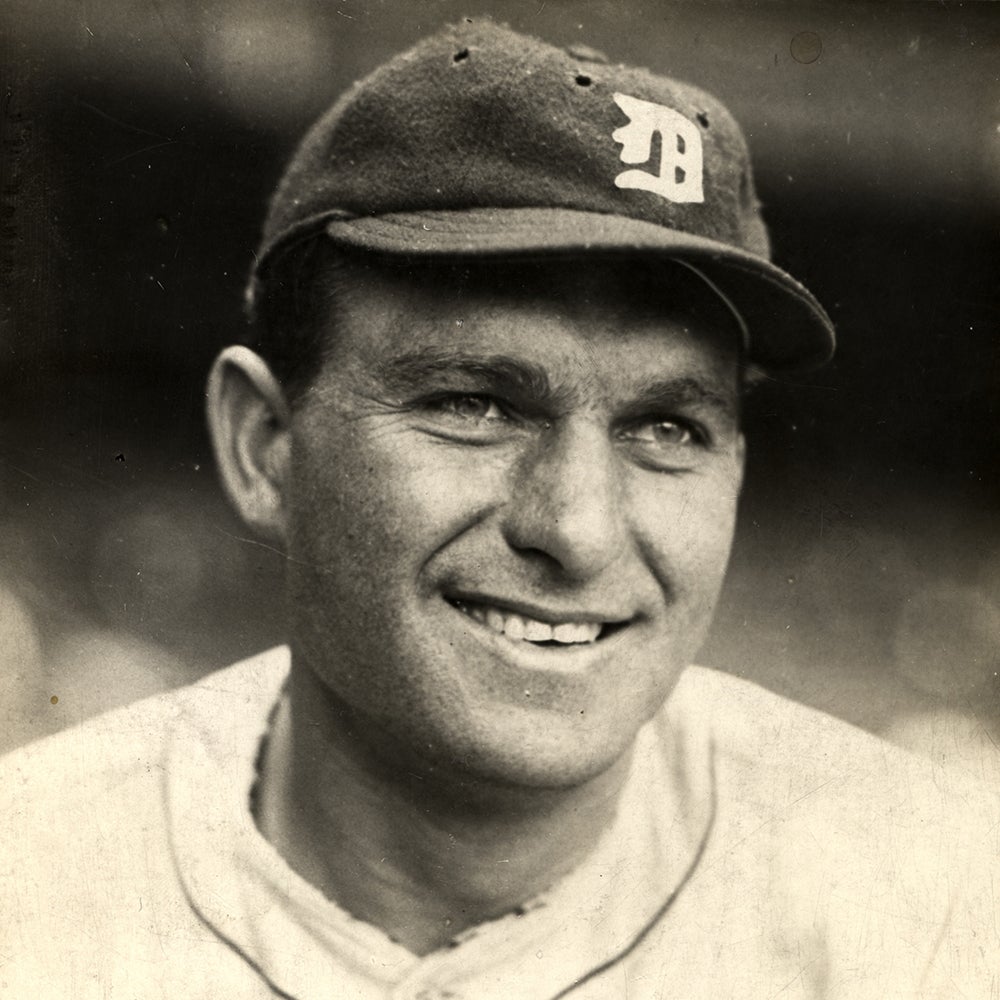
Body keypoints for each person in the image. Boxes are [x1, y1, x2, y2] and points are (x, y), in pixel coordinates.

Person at [3, 20, 997, 999]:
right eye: (472, 404)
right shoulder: (33, 882)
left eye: (666, 427)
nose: (578, 529)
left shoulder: (933, 914)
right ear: (264, 442)